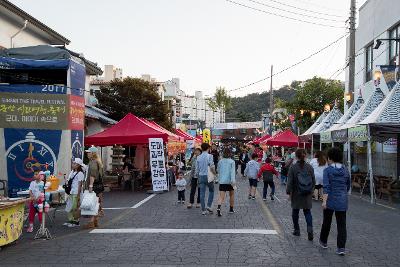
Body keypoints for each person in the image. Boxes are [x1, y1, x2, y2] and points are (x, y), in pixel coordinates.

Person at [319, 147, 351, 256]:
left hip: (330, 200)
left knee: (327, 222)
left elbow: (326, 187)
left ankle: (323, 241)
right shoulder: (345, 169)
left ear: (330, 158)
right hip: (342, 200)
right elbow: (348, 185)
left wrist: (324, 201)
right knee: (341, 225)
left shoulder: (327, 170)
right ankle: (341, 248)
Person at [286, 149, 316, 240]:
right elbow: (313, 180)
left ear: (296, 156)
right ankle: (310, 229)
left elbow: (290, 181)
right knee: (307, 212)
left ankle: (297, 230)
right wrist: (311, 190)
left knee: (295, 211)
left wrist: (288, 191)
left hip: (296, 193)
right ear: (305, 156)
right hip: (307, 193)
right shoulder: (309, 167)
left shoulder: (293, 167)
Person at [84, 146, 104, 229]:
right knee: (96, 203)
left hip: (94, 185)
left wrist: (90, 186)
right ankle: (95, 221)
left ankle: (91, 222)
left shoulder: (93, 162)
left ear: (92, 153)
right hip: (99, 185)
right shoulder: (98, 161)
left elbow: (92, 175)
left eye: (89, 152)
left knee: (92, 203)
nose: (87, 153)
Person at [195, 143, 217, 215]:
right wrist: (215, 174)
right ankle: (209, 205)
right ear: (208, 148)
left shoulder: (198, 157)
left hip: (201, 176)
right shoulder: (210, 156)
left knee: (202, 193)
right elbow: (212, 166)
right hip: (208, 176)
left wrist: (198, 177)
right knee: (211, 190)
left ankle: (203, 210)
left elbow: (197, 170)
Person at [64, 158, 85, 227]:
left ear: (78, 165)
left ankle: (76, 221)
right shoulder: (72, 172)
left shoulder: (80, 173)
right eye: (73, 163)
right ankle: (70, 220)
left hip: (76, 192)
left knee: (74, 207)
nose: (73, 165)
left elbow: (80, 185)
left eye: (74, 163)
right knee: (69, 206)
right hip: (71, 192)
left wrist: (78, 195)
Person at [216, 148, 236, 216]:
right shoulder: (232, 161)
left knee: (221, 197)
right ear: (230, 153)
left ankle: (218, 207)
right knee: (232, 195)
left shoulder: (220, 161)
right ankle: (231, 209)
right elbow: (232, 172)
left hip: (222, 181)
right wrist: (233, 182)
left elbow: (218, 170)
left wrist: (218, 179)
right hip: (230, 181)